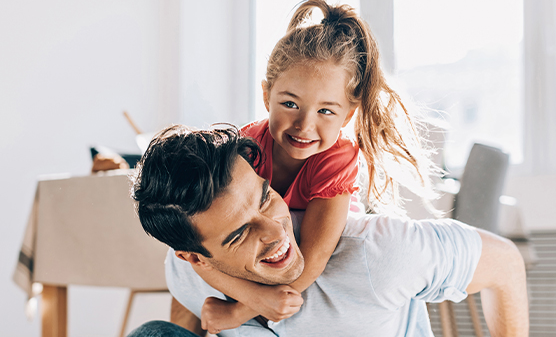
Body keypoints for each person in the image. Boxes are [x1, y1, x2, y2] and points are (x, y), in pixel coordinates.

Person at [130, 124, 528, 336]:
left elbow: (506, 264)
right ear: (195, 256)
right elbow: (186, 306)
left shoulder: (379, 253)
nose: (274, 231)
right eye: (239, 233)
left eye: (266, 196)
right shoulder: (185, 267)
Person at [191, 0, 441, 328]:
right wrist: (248, 296)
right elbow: (201, 248)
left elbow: (314, 257)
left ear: (348, 115)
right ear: (267, 96)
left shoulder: (337, 158)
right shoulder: (244, 149)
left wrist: (243, 309)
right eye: (290, 103)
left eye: (325, 111)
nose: (304, 125)